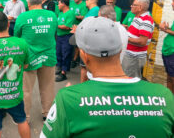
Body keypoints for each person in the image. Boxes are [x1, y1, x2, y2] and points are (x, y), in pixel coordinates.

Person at [41, 16, 174, 138]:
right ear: (121, 50)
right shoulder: (165, 96)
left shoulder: (67, 99)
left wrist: (69, 95)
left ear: (84, 55)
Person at [14, 0, 58, 122]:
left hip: (29, 58)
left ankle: (25, 117)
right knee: (48, 87)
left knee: (26, 90)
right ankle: (47, 113)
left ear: (28, 2)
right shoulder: (52, 15)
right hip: (48, 57)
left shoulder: (23, 17)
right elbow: (53, 32)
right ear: (41, 1)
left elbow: (17, 36)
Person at [122, 0, 154, 78]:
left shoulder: (146, 20)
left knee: (129, 80)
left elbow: (142, 41)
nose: (131, 6)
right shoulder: (137, 17)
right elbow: (138, 32)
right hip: (131, 55)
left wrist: (125, 38)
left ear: (140, 7)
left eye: (133, 5)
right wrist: (127, 28)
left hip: (134, 58)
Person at [55, 0, 77, 82]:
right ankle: (60, 67)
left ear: (63, 4)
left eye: (59, 3)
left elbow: (68, 26)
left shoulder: (70, 13)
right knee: (59, 53)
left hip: (67, 36)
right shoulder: (60, 13)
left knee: (66, 54)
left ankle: (64, 73)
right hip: (59, 36)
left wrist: (56, 25)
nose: (58, 5)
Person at [159, 0, 174, 93]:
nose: (172, 4)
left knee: (172, 78)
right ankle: (169, 98)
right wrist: (167, 29)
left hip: (172, 52)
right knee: (169, 76)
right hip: (168, 51)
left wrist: (165, 29)